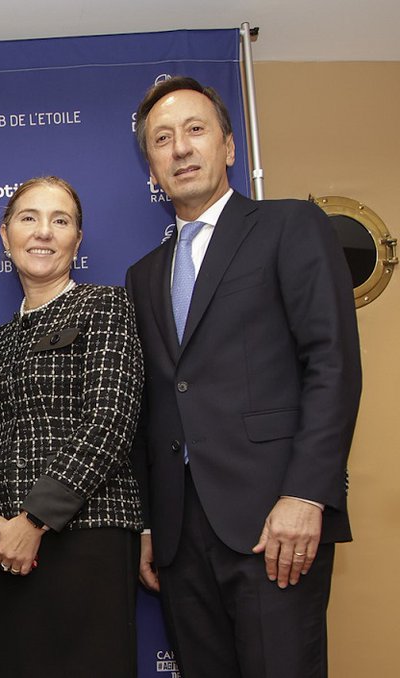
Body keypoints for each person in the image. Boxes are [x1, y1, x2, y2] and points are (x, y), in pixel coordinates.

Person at [126, 76, 362, 678]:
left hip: (274, 521)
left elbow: (331, 363)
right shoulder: (144, 275)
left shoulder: (291, 226)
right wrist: (152, 524)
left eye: (195, 130)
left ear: (229, 148)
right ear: (151, 168)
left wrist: (308, 494)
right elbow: (157, 402)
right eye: (162, 139)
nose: (180, 148)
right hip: (181, 537)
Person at [0, 176, 143, 677]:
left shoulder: (106, 308)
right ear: (6, 236)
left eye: (60, 221)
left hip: (88, 538)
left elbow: (110, 421)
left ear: (77, 238)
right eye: (29, 218)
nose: (43, 233)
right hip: (6, 550)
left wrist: (34, 520)